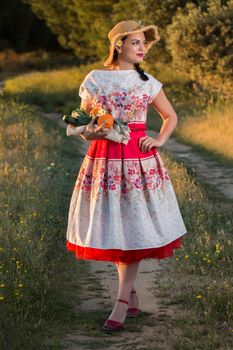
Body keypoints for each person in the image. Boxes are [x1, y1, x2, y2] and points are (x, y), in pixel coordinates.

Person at [65, 20, 188, 332]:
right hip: (104, 159)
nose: (142, 48)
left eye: (144, 43)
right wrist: (93, 130)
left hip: (138, 160)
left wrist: (159, 139)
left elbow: (170, 116)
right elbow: (82, 123)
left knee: (133, 225)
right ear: (118, 44)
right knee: (114, 225)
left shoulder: (148, 82)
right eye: (136, 42)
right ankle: (129, 291)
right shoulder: (95, 79)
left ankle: (120, 301)